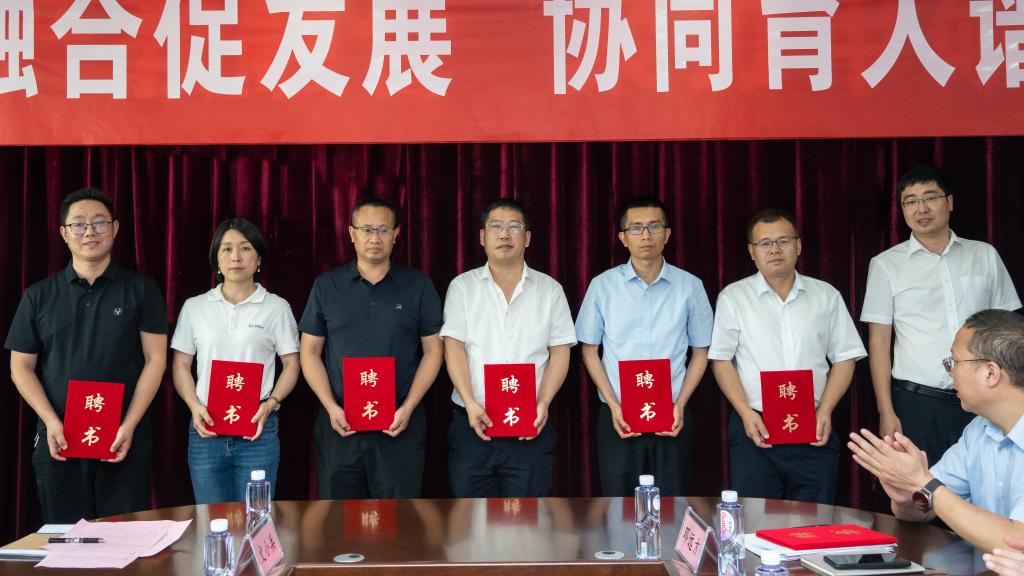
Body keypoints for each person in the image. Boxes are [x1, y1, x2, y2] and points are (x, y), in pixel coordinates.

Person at [5, 187, 167, 522]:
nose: (90, 231)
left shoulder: (141, 289)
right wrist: (51, 421)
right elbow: (20, 366)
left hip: (124, 438)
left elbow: (156, 360)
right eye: (78, 224)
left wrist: (129, 424)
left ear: (115, 228)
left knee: (124, 537)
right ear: (64, 233)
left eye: (99, 223)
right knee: (66, 539)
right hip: (60, 439)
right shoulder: (38, 295)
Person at [861, 165, 1020, 466]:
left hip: (986, 397)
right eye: (910, 201)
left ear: (949, 202)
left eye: (930, 197)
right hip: (918, 403)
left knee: (990, 482)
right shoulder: (885, 265)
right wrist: (886, 410)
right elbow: (879, 342)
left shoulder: (984, 254)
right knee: (922, 487)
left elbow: (1008, 330)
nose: (921, 208)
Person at [709, 209, 866, 504]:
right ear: (752, 252)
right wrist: (745, 413)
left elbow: (845, 358)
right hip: (756, 428)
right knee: (756, 521)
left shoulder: (826, 295)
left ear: (798, 245)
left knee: (815, 522)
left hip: (813, 427)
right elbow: (721, 360)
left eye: (783, 241)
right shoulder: (734, 297)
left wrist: (826, 410)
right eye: (765, 243)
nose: (775, 250)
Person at [299, 197, 443, 499]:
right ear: (352, 233)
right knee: (338, 518)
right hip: (340, 423)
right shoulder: (327, 285)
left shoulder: (417, 284)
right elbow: (309, 351)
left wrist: (409, 407)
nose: (375, 238)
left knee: (400, 519)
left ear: (396, 234)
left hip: (399, 423)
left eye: (383, 230)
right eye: (366, 230)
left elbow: (434, 350)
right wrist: (330, 406)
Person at [849, 309, 1024, 553]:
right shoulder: (977, 431)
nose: (949, 372)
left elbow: (1017, 542)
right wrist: (906, 497)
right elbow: (925, 507)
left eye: (953, 362)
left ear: (990, 372)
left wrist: (922, 483)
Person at [575, 195, 713, 496]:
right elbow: (589, 350)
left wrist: (681, 404)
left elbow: (701, 351)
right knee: (619, 507)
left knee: (674, 504)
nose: (646, 235)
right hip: (618, 416)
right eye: (636, 228)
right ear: (623, 238)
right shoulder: (603, 285)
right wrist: (613, 404)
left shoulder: (690, 286)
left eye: (654, 226)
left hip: (673, 416)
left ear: (668, 234)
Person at [440, 198, 576, 497]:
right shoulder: (462, 287)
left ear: (527, 238)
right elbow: (453, 349)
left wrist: (544, 402)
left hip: (530, 425)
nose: (504, 234)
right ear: (482, 236)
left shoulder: (550, 290)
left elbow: (560, 352)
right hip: (472, 423)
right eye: (496, 227)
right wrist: (470, 402)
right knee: (471, 520)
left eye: (514, 227)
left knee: (528, 520)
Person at [170, 218, 299, 504]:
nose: (236, 257)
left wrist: (271, 403)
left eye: (245, 248)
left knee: (256, 518)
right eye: (226, 249)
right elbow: (180, 366)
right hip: (206, 427)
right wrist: (193, 406)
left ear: (259, 259)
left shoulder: (276, 307)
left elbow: (292, 364)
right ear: (216, 259)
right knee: (210, 519)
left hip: (258, 428)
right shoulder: (195, 307)